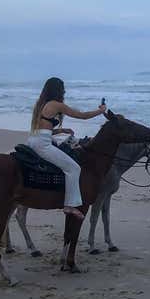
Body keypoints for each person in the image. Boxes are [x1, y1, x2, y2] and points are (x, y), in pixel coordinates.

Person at [27, 77, 107, 220]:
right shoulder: (57, 105)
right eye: (62, 89)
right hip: (43, 143)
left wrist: (61, 130)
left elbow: (42, 128)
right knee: (74, 168)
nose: (64, 91)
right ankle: (69, 205)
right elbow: (82, 116)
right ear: (58, 90)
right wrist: (100, 111)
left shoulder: (41, 104)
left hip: (35, 139)